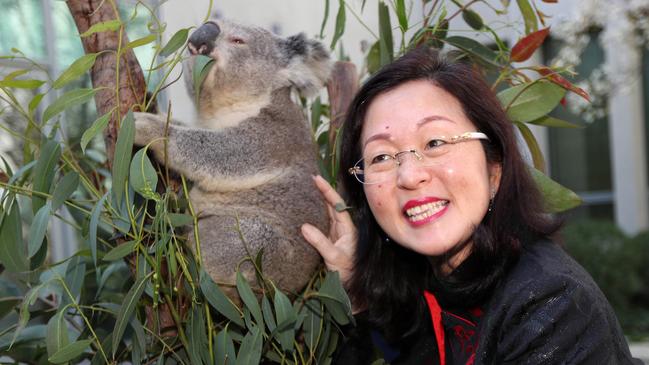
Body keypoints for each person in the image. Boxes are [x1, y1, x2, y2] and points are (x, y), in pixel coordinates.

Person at [300, 47, 641, 364]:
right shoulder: (422, 290)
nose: (409, 175)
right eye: (382, 156)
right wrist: (355, 292)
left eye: (434, 142)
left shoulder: (551, 306)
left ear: (494, 168)